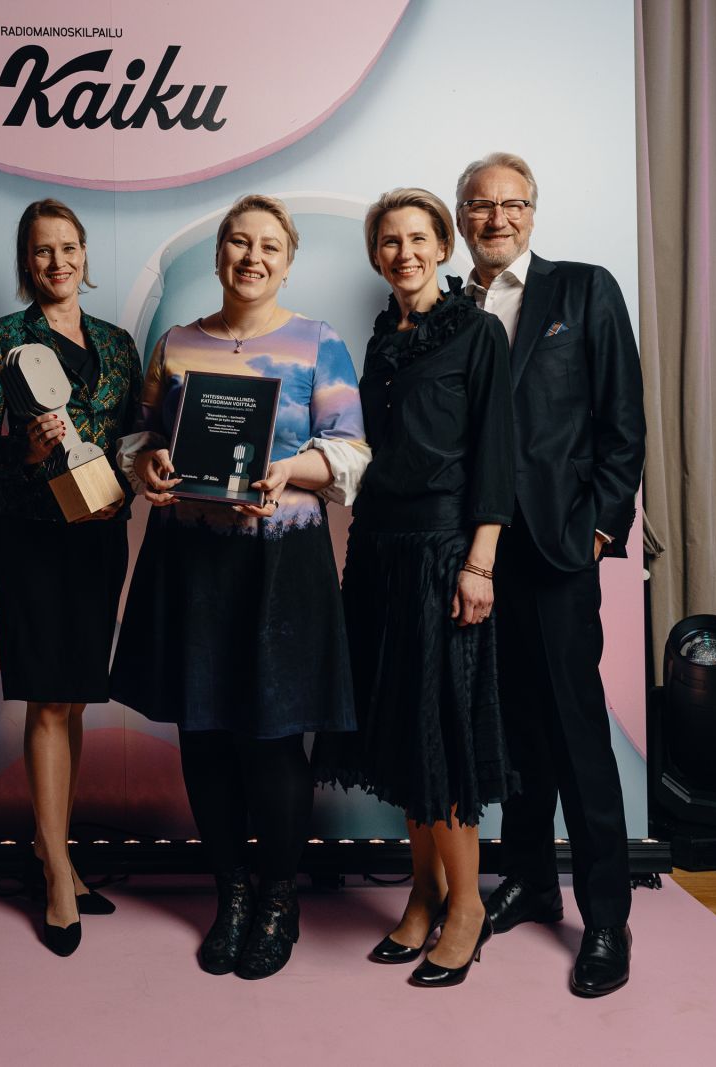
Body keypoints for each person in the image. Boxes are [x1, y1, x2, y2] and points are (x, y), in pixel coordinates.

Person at [111, 194, 368, 980]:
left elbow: (352, 452)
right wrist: (147, 461)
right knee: (204, 732)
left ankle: (278, 898)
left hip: (282, 563)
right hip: (191, 559)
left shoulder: (320, 342)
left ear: (288, 261)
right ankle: (230, 894)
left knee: (274, 736)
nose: (252, 257)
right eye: (238, 242)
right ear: (221, 253)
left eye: (268, 246)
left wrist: (291, 469)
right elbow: (140, 435)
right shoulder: (176, 343)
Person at [453, 152, 646, 996]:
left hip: (559, 549)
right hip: (474, 556)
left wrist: (598, 530)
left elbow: (623, 423)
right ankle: (530, 881)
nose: (497, 218)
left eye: (512, 204)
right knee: (513, 731)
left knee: (574, 732)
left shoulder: (584, 289)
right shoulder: (450, 308)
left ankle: (605, 915)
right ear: (461, 217)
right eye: (480, 205)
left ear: (532, 212)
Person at [312, 188, 516, 987]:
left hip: (444, 551)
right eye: (389, 241)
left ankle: (468, 905)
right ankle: (425, 893)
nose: (404, 252)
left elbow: (495, 450)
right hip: (377, 550)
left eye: (418, 238)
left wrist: (480, 562)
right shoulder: (379, 341)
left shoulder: (477, 331)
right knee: (400, 729)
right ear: (377, 256)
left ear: (443, 246)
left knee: (441, 734)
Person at [0, 199, 143, 957]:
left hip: (100, 533)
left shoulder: (117, 343)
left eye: (68, 248)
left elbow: (135, 439)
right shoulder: (3, 338)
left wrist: (130, 484)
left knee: (74, 699)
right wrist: (29, 453)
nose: (58, 262)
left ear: (84, 255)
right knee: (46, 699)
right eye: (42, 251)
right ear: (25, 261)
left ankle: (55, 848)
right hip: (33, 537)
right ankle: (58, 879)